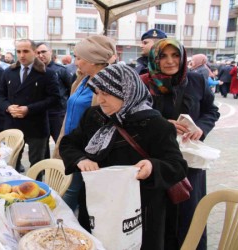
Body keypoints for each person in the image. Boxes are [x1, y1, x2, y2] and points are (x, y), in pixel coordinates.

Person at [60, 64, 188, 249]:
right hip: (97, 203)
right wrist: (81, 160)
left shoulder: (155, 125)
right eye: (98, 92)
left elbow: (177, 166)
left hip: (139, 210)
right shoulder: (94, 116)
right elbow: (69, 143)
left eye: (107, 93)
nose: (100, 100)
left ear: (127, 91)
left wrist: (152, 166)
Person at [140, 39, 220, 250]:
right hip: (157, 162)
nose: (170, 61)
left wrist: (201, 127)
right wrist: (162, 124)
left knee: (189, 214)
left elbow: (211, 111)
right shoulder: (143, 83)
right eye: (163, 56)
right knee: (160, 216)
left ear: (183, 57)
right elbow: (133, 117)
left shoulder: (196, 81)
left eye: (175, 55)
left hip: (190, 162)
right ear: (154, 59)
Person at [54, 35, 117, 211]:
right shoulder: (82, 80)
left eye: (79, 57)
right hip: (71, 143)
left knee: (71, 191)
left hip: (87, 150)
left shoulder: (106, 85)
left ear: (94, 60)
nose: (76, 62)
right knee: (71, 189)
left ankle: (57, 227)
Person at [0, 39, 60, 169]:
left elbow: (54, 99)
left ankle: (37, 188)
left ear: (35, 52)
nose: (21, 55)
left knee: (37, 165)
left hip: (36, 125)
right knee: (12, 162)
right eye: (18, 51)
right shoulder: (9, 72)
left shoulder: (47, 73)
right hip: (13, 123)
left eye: (25, 51)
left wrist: (29, 109)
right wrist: (8, 107)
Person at [36, 42, 72, 155]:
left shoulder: (61, 70)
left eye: (43, 52)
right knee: (41, 148)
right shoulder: (33, 71)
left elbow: (72, 90)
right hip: (40, 115)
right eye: (37, 53)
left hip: (57, 114)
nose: (40, 55)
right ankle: (43, 170)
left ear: (50, 52)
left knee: (61, 145)